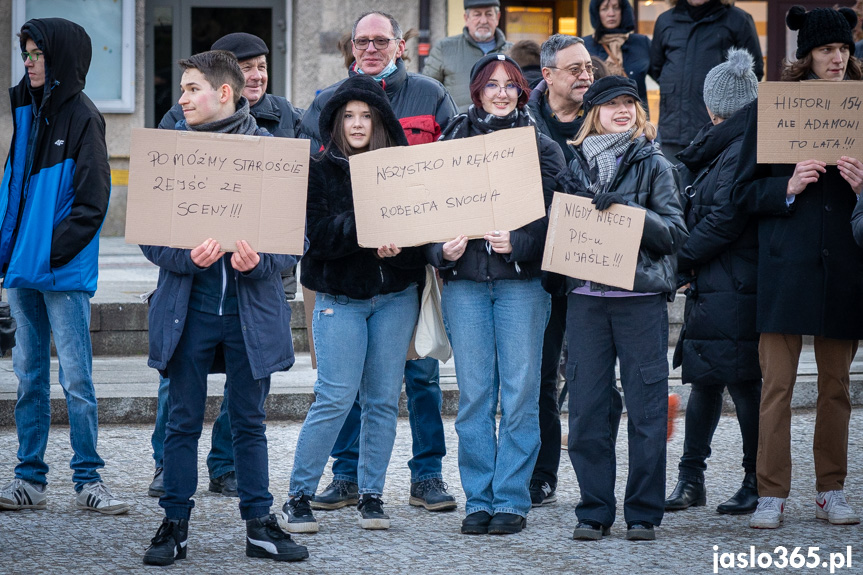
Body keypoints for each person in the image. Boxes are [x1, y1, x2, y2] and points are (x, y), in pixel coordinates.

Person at [140, 50, 308, 565]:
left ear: (225, 94)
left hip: (249, 312)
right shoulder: (171, 151)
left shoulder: (272, 152)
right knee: (182, 421)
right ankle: (174, 524)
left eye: (192, 89)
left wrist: (261, 263)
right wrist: (183, 257)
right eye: (183, 89)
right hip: (185, 311)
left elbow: (292, 240)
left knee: (249, 421)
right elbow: (150, 237)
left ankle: (259, 523)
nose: (182, 98)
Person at [299, 11, 459, 514]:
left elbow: (442, 184)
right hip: (343, 290)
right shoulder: (324, 106)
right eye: (362, 41)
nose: (371, 47)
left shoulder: (431, 95)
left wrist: (414, 243)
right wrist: (370, 234)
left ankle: (423, 477)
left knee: (412, 385)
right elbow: (312, 213)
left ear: (400, 45)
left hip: (400, 287)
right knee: (340, 392)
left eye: (380, 40)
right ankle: (341, 478)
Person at [734, 6, 863, 530]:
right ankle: (771, 493)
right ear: (807, 53)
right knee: (778, 386)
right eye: (828, 49)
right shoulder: (775, 108)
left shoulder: (860, 108)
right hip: (786, 266)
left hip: (845, 266)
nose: (837, 58)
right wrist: (784, 188)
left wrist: (862, 187)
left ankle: (831, 489)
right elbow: (740, 193)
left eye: (844, 48)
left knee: (836, 385)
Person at [426, 54, 565, 536]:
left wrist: (521, 242)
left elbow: (561, 223)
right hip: (464, 286)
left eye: (511, 85)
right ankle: (477, 499)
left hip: (522, 286)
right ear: (477, 90)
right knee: (475, 395)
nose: (502, 93)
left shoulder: (543, 148)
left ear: (522, 92)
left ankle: (512, 498)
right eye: (493, 85)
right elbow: (424, 215)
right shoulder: (452, 142)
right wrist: (441, 249)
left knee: (522, 392)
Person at [282, 75, 426, 533]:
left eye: (366, 115)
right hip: (340, 301)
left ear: (380, 120)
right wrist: (367, 227)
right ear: (336, 122)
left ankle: (371, 495)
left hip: (395, 298)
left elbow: (423, 235)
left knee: (383, 400)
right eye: (349, 116)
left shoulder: (402, 169)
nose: (358, 123)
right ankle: (298, 495)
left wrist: (399, 246)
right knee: (336, 397)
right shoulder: (319, 170)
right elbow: (317, 239)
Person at [0, 18, 129, 516]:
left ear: (62, 58)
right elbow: (15, 192)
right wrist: (8, 254)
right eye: (26, 54)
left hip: (61, 272)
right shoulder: (26, 111)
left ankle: (89, 479)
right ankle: (28, 480)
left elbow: (93, 202)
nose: (29, 62)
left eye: (37, 54)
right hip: (23, 271)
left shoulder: (84, 117)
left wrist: (51, 253)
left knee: (76, 380)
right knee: (29, 377)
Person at [561, 76, 686, 542]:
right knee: (589, 410)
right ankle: (594, 510)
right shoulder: (573, 165)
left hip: (639, 301)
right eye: (611, 104)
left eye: (629, 103)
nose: (622, 111)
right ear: (593, 112)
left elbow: (675, 234)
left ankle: (643, 513)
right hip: (587, 301)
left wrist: (630, 215)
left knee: (648, 409)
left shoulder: (655, 163)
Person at [525, 34, 624, 507]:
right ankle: (542, 474)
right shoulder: (520, 125)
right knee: (542, 377)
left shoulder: (610, 115)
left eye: (588, 67)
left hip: (595, 270)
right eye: (575, 69)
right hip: (537, 272)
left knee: (597, 379)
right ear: (547, 76)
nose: (586, 75)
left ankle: (599, 476)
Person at [665, 48, 761, 516]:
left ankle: (754, 480)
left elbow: (725, 219)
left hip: (736, 283)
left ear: (713, 106)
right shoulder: (720, 145)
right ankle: (691, 480)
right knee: (704, 380)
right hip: (717, 283)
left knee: (743, 383)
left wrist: (677, 262)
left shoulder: (739, 148)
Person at [649, 0, 763, 159]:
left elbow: (752, 73)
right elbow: (656, 67)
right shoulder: (665, 20)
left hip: (719, 132)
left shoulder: (738, 19)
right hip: (672, 129)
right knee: (672, 182)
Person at [423, 0, 512, 112]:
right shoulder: (444, 48)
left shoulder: (513, 51)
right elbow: (427, 92)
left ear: (497, 17)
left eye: (489, 14)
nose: (483, 21)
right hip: (457, 125)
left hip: (504, 126)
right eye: (477, 14)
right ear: (466, 18)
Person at [583, 0, 651, 105]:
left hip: (636, 115)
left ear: (623, 10)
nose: (611, 13)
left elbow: (665, 77)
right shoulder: (585, 45)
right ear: (596, 12)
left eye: (616, 7)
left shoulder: (641, 43)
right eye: (604, 8)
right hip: (595, 115)